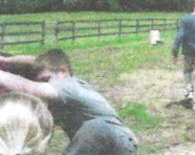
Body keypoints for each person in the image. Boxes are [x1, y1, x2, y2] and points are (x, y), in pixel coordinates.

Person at [0, 49, 138, 154]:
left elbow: (28, 87)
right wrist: (6, 61)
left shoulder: (70, 86)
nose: (43, 84)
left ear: (62, 71)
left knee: (96, 127)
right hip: (103, 146)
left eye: (45, 79)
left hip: (115, 137)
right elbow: (35, 61)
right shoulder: (57, 99)